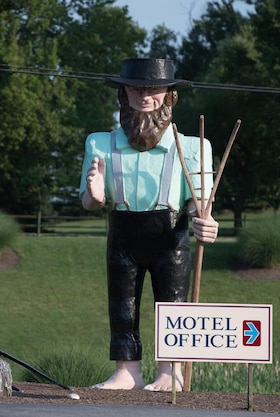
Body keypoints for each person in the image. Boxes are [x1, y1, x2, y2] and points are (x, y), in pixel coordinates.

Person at [79, 58, 219, 392]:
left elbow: (202, 205)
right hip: (122, 234)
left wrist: (207, 222)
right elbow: (88, 200)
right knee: (122, 304)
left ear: (169, 95)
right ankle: (127, 370)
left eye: (153, 89)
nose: (144, 96)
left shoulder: (194, 148)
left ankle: (170, 372)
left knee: (172, 304)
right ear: (123, 93)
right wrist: (96, 195)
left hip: (170, 236)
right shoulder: (100, 143)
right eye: (135, 88)